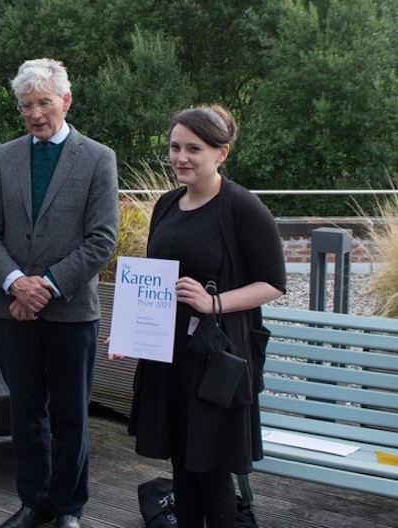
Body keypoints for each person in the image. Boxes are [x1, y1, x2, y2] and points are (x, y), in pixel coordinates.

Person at [0, 58, 119, 528]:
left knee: (71, 416)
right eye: (26, 105)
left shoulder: (98, 158)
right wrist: (17, 283)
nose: (35, 113)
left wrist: (46, 286)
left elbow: (103, 239)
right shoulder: (3, 157)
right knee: (26, 414)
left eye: (44, 102)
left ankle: (69, 507)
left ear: (66, 101)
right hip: (13, 312)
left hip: (72, 312)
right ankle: (34, 502)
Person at [126, 105, 286, 528]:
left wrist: (212, 302)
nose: (181, 158)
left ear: (222, 153)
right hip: (169, 352)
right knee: (182, 460)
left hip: (217, 355)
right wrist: (129, 335)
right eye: (175, 147)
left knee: (212, 465)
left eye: (194, 148)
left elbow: (273, 283)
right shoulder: (165, 204)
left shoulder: (242, 207)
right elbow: (154, 280)